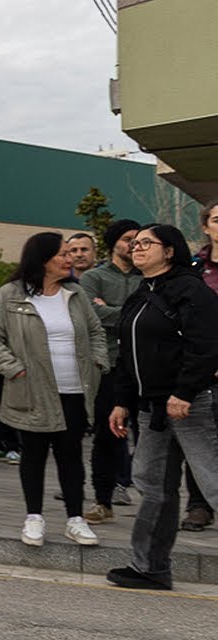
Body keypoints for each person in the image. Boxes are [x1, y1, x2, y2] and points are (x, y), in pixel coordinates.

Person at [106, 224, 218, 591]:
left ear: (169, 250)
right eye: (134, 243)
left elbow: (205, 346)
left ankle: (150, 565)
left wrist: (185, 391)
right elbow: (126, 354)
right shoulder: (142, 292)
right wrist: (122, 401)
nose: (136, 248)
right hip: (150, 408)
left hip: (190, 405)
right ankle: (150, 567)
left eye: (146, 243)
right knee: (153, 487)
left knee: (214, 483)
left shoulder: (191, 290)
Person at [0, 232, 108, 547]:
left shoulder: (74, 294)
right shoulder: (11, 295)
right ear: (43, 259)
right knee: (34, 455)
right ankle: (34, 517)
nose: (70, 259)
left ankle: (75, 519)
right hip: (31, 389)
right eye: (63, 254)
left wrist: (98, 362)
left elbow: (96, 332)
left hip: (75, 390)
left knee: (71, 455)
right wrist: (14, 368)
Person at [79, 219, 141, 523]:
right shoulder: (93, 277)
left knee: (152, 435)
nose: (133, 244)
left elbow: (162, 312)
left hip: (147, 365)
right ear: (114, 241)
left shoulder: (150, 277)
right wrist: (135, 312)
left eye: (138, 239)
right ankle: (103, 500)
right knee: (107, 433)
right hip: (109, 365)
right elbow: (93, 314)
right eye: (128, 238)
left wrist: (115, 310)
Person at [181, 199, 218, 532]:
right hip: (201, 368)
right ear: (205, 226)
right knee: (200, 439)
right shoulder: (193, 270)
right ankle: (198, 505)